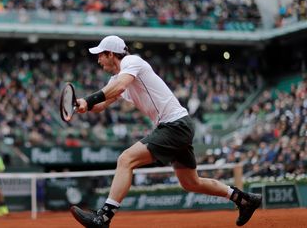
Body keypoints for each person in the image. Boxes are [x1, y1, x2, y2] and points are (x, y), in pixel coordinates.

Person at [70, 35, 262, 227]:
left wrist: (89, 100)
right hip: (179, 126)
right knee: (190, 183)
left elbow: (117, 88)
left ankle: (103, 218)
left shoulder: (131, 61)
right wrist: (83, 105)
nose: (98, 60)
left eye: (100, 55)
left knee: (126, 159)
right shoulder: (119, 77)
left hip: (174, 125)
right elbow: (101, 104)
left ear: (111, 54)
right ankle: (244, 199)